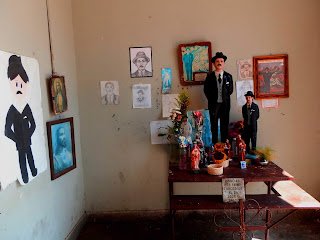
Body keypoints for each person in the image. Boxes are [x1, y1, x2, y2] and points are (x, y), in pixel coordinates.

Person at [5, 55, 37, 184]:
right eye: (15, 84)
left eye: (21, 84)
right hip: (20, 142)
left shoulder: (26, 107)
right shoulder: (12, 110)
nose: (19, 88)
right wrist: (18, 138)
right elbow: (7, 130)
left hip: (27, 141)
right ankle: (25, 177)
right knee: (22, 161)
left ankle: (34, 171)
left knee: (30, 157)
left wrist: (27, 135)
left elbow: (33, 124)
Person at [204, 52, 234, 144]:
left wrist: (224, 96)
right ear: (214, 63)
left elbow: (230, 90)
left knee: (224, 124)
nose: (219, 63)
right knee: (214, 125)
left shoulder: (228, 76)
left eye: (221, 61)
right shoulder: (209, 76)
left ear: (224, 63)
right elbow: (206, 90)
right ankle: (215, 144)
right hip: (214, 104)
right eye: (217, 61)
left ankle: (224, 144)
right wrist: (212, 99)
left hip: (225, 104)